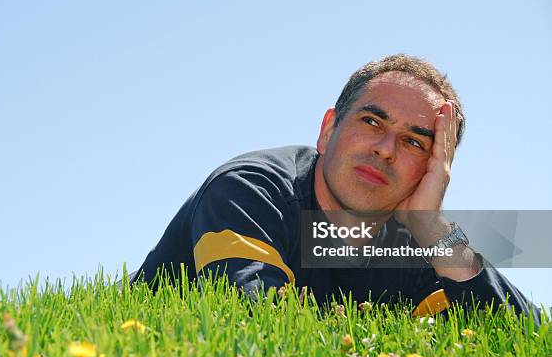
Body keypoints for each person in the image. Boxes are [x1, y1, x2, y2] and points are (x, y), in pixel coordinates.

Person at [128, 54, 541, 325]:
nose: (384, 150)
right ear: (328, 129)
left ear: (434, 170)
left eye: (414, 142)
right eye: (372, 122)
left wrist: (433, 229)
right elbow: (254, 323)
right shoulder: (250, 189)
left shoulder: (415, 249)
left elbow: (521, 345)